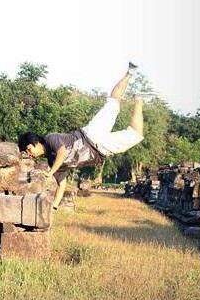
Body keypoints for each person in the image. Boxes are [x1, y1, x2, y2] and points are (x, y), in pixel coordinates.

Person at [18, 63, 145, 210]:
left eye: (28, 150)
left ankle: (130, 72)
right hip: (97, 145)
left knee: (115, 105)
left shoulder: (50, 138)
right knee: (123, 117)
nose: (30, 154)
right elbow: (62, 184)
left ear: (34, 142)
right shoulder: (52, 162)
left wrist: (49, 172)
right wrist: (54, 206)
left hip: (93, 137)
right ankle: (138, 98)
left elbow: (62, 152)